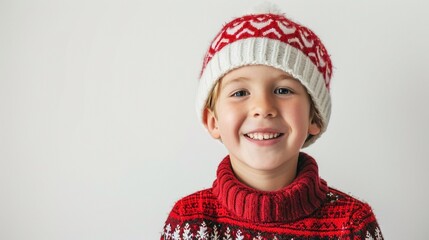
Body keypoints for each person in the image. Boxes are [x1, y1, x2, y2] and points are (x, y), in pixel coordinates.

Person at [161, 3, 383, 239]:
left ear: (314, 117)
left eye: (283, 90)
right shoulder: (189, 221)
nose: (263, 108)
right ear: (213, 121)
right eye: (240, 93)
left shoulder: (352, 224)